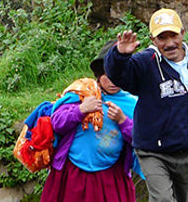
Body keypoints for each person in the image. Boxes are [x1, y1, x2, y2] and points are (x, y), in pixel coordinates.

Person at [104, 8, 188, 202]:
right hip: (152, 151)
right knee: (163, 199)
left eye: (174, 35)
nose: (170, 43)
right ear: (153, 40)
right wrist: (120, 56)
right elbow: (119, 76)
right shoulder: (146, 62)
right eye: (162, 38)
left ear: (183, 33)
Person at [39, 41, 140, 202]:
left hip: (111, 176)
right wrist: (80, 110)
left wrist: (123, 121)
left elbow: (142, 139)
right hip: (73, 173)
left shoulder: (133, 103)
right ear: (99, 75)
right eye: (108, 75)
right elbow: (57, 123)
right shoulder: (82, 93)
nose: (113, 81)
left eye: (118, 75)